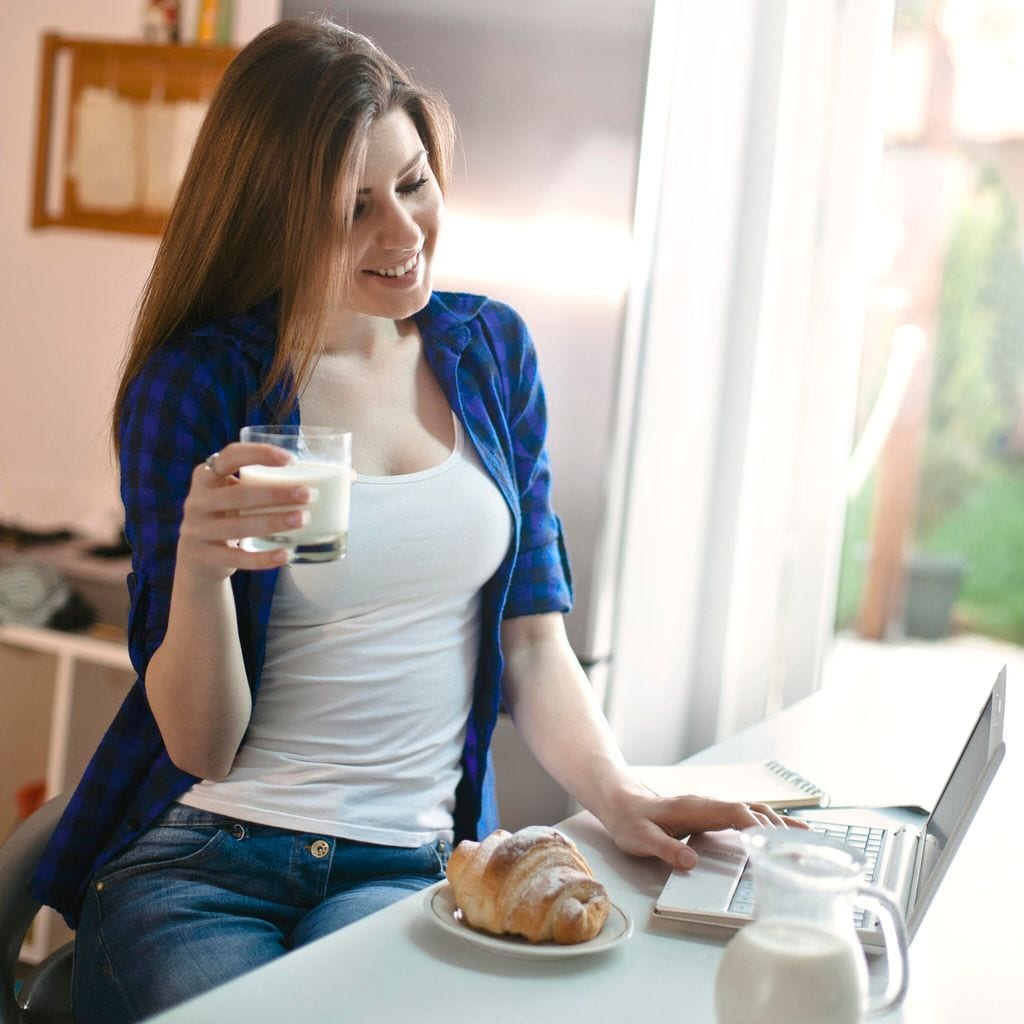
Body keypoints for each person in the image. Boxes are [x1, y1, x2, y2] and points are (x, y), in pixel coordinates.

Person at [29, 17, 801, 1023]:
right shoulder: (199, 385)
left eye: (411, 183)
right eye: (351, 209)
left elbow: (531, 641)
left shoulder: (488, 352)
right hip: (202, 858)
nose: (400, 234)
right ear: (272, 218)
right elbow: (200, 745)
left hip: (404, 865)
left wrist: (621, 794)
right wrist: (200, 576)